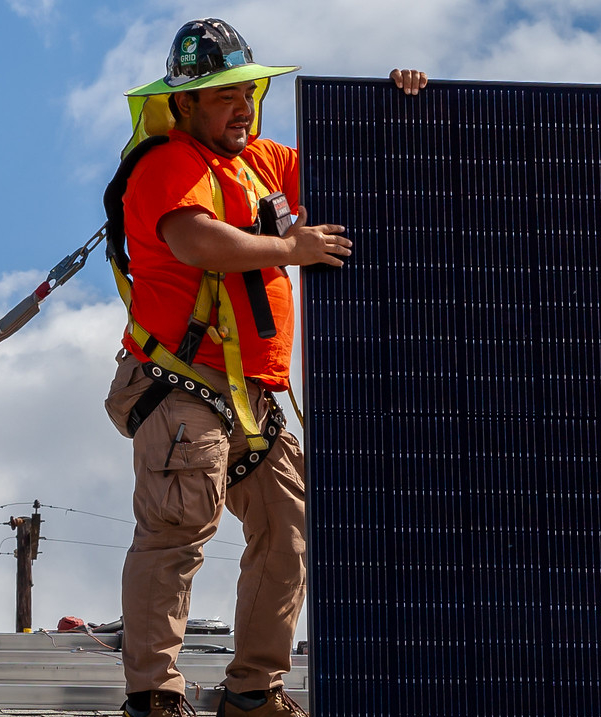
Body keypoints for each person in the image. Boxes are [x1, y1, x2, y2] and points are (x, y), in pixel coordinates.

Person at [99, 18, 423, 717]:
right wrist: (291, 249)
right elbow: (197, 242)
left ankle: (253, 690)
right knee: (179, 529)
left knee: (289, 527)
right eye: (224, 96)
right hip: (180, 386)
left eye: (248, 91)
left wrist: (396, 103)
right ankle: (153, 693)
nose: (243, 106)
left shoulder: (260, 162)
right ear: (183, 104)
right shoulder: (165, 164)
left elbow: (352, 163)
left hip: (252, 396)